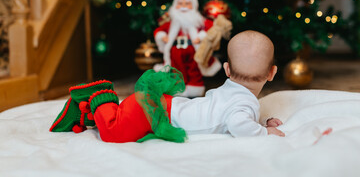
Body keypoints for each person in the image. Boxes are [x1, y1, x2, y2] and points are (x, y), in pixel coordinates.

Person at [50, 30, 284, 143]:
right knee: (113, 133)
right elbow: (237, 123)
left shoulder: (233, 92)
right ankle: (99, 98)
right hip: (155, 114)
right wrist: (264, 131)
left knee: (121, 120)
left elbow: (236, 115)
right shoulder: (243, 105)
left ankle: (92, 110)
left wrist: (261, 121)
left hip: (160, 107)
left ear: (226, 70)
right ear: (272, 73)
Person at [153, 0, 221, 97]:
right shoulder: (171, 21)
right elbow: (159, 30)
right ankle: (177, 88)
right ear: (175, 5)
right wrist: (162, 36)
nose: (183, 6)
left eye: (187, 4)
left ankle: (195, 86)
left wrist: (201, 36)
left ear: (193, 6)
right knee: (175, 71)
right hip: (175, 51)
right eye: (180, 4)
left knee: (194, 69)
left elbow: (210, 28)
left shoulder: (198, 21)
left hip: (193, 50)